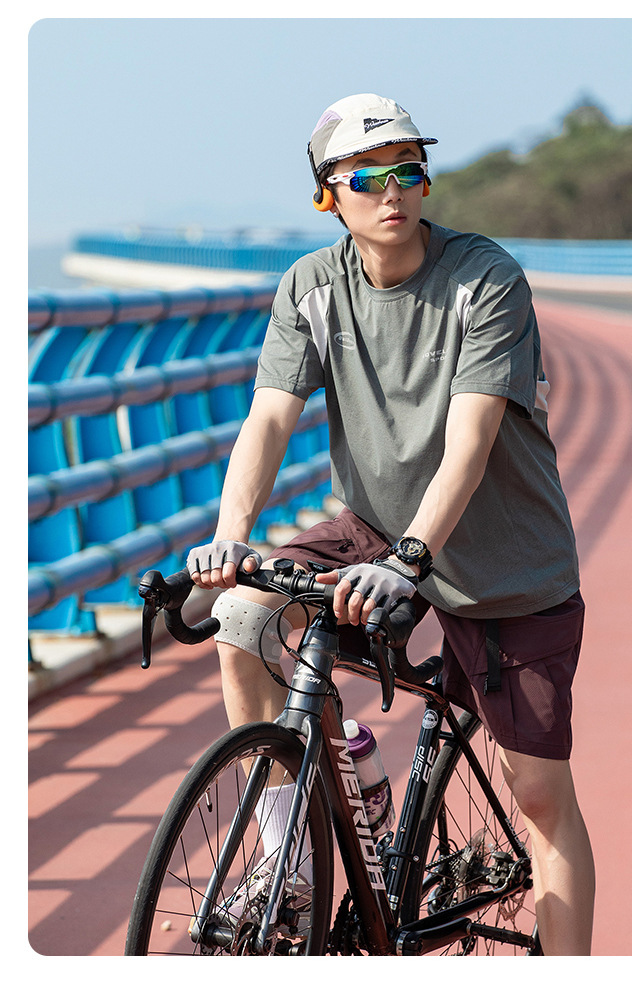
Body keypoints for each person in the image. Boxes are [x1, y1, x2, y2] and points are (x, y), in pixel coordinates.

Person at [187, 94, 595, 955]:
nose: (392, 191)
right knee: (244, 618)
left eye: (407, 169)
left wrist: (411, 559)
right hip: (377, 522)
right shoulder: (311, 286)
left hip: (502, 552)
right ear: (327, 195)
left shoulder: (484, 278)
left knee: (540, 794)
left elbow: (470, 438)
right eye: (367, 177)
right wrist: (231, 535)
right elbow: (269, 417)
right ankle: (290, 856)